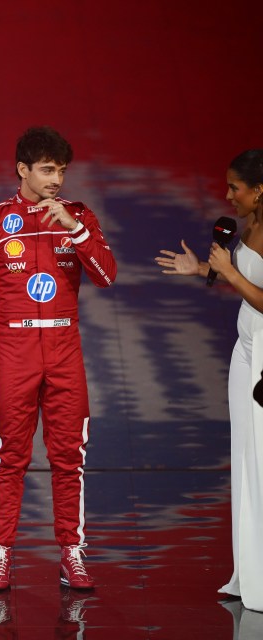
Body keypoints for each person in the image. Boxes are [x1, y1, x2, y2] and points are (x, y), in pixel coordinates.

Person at [0, 126, 117, 591]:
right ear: (22, 169)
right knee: (10, 457)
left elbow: (107, 277)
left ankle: (71, 553)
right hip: (16, 352)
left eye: (62, 170)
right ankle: (2, 554)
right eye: (47, 170)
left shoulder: (78, 216)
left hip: (66, 347)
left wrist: (76, 230)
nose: (56, 179)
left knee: (69, 458)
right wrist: (11, 329)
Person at [154, 149, 263, 612]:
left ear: (259, 190)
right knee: (243, 458)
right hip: (244, 354)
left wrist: (230, 271)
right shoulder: (247, 225)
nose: (227, 195)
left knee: (261, 462)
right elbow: (240, 280)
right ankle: (249, 573)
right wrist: (201, 269)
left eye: (235, 187)